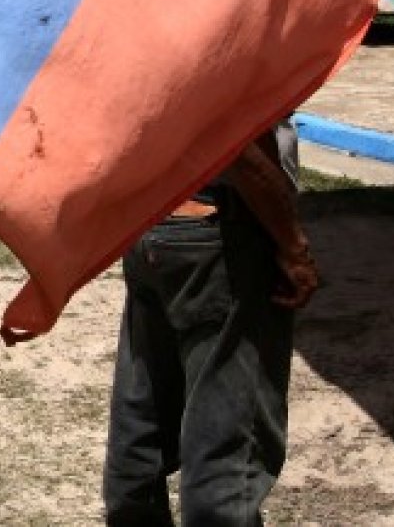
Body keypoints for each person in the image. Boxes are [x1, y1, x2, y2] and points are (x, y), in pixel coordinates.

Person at [103, 119, 320, 526]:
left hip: (152, 214)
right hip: (218, 226)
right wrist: (291, 240)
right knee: (226, 450)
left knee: (143, 416)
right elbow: (239, 136)